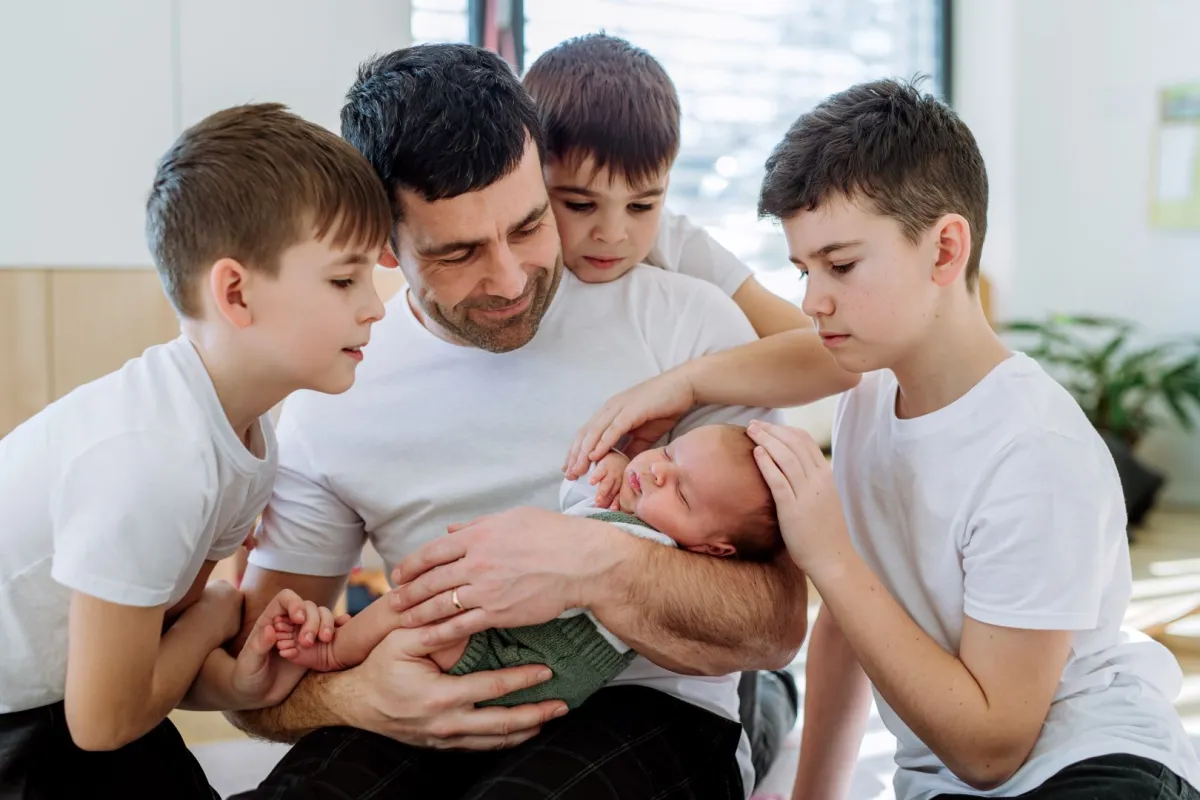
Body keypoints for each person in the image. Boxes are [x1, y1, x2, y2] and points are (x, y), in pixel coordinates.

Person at [226, 43, 850, 800]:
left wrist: (594, 563)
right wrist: (354, 697)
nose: (510, 278)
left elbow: (776, 625)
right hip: (417, 704)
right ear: (383, 246)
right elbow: (257, 679)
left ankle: (769, 707)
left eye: (529, 226)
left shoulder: (687, 323)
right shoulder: (331, 397)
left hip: (647, 708)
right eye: (459, 252)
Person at [566, 79, 1200, 800]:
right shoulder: (869, 394)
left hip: (1093, 769)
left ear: (945, 250)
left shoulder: (1036, 454)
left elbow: (991, 750)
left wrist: (829, 554)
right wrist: (680, 387)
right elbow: (849, 627)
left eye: (840, 266)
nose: (813, 300)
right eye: (804, 271)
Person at [0, 103, 393, 798]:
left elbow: (163, 643)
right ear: (235, 292)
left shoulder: (245, 439)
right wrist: (216, 612)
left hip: (73, 707)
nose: (375, 306)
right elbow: (104, 721)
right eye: (344, 280)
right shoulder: (153, 460)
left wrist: (236, 678)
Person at [272, 424, 782, 712]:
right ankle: (349, 645)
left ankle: (335, 651)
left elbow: (566, 581)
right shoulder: (632, 514)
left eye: (682, 493)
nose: (656, 471)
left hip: (529, 666)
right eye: (669, 452)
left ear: (713, 549)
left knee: (421, 611)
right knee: (418, 613)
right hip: (515, 644)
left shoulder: (658, 549)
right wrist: (611, 468)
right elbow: (574, 496)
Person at [523, 33, 814, 341]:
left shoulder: (676, 241)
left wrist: (694, 372)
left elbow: (810, 341)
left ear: (665, 187)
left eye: (640, 206)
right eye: (580, 205)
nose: (611, 234)